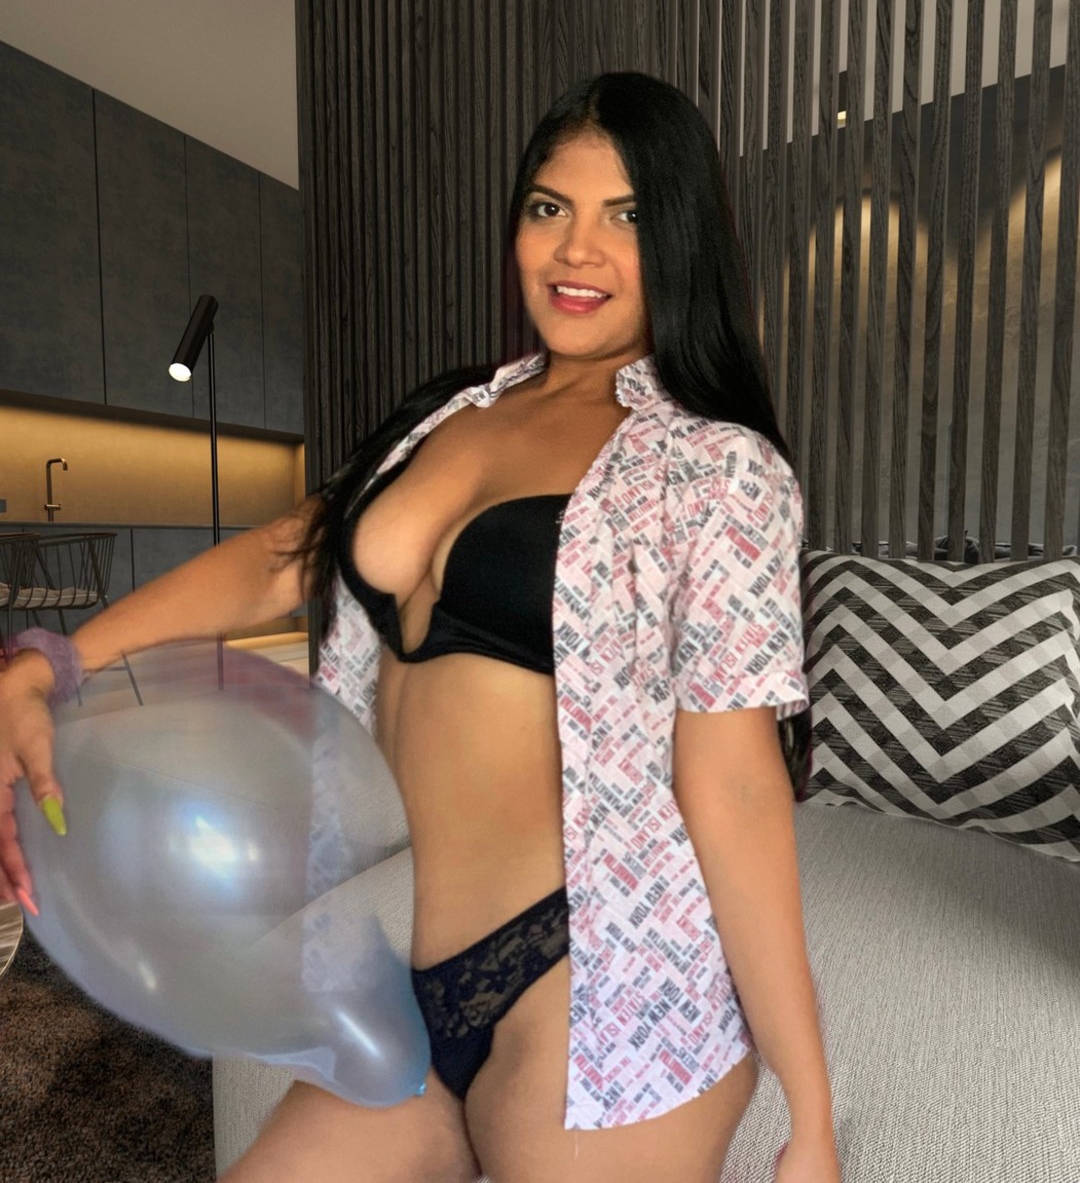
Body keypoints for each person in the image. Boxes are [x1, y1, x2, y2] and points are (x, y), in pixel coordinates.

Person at [0, 72, 840, 1183]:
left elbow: (732, 784)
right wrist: (49, 659)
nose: (576, 249)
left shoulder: (718, 468)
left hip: (608, 980)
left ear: (680, 239)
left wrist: (811, 1113)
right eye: (549, 207)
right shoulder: (450, 413)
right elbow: (285, 557)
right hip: (420, 980)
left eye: (626, 215)